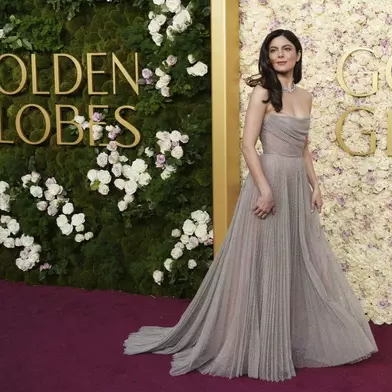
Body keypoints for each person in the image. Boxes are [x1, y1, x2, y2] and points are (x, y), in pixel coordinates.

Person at [123, 29, 378, 382]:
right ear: (268, 57)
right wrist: (264, 189)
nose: (281, 55)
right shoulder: (262, 92)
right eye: (274, 50)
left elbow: (303, 148)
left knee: (294, 258)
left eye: (287, 49)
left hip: (294, 185)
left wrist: (315, 184)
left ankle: (286, 338)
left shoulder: (305, 96)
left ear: (298, 55)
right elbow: (247, 145)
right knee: (264, 260)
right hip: (269, 180)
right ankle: (257, 342)